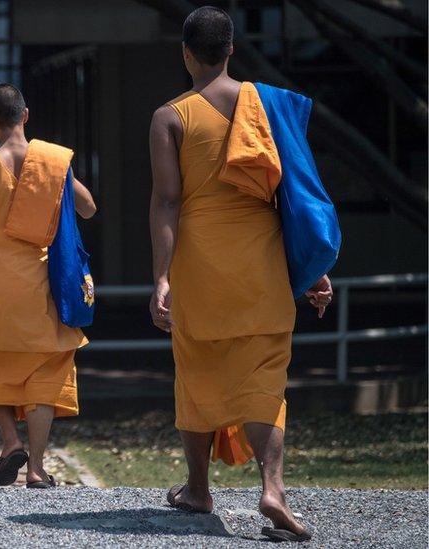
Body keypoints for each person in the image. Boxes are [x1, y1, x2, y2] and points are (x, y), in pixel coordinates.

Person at [149, 6, 332, 542]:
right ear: (231, 50)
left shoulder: (170, 117)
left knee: (198, 369)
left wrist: (162, 277)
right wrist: (311, 268)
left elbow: (165, 202)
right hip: (262, 258)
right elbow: (295, 193)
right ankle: (272, 488)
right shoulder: (268, 105)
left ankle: (199, 488)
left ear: (186, 52)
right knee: (265, 376)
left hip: (200, 261)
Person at [0, 84, 96, 488]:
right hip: (45, 283)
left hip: (0, 282)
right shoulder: (53, 162)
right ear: (26, 115)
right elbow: (89, 207)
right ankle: (36, 468)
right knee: (46, 370)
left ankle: (9, 441)